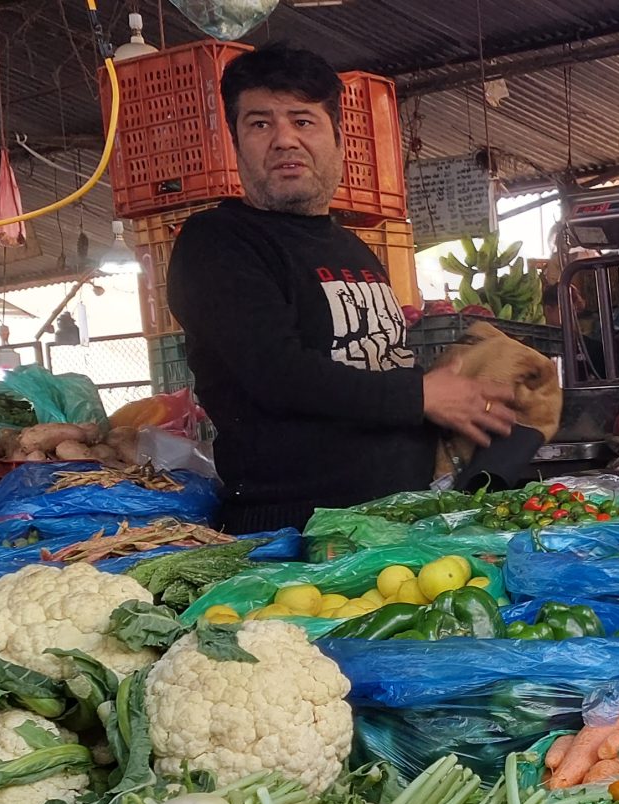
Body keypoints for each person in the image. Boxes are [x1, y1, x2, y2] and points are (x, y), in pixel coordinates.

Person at [166, 43, 518, 533]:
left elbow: (372, 364)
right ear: (237, 142)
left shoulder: (352, 249)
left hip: (398, 523)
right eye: (260, 123)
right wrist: (419, 396)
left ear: (337, 138)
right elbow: (276, 374)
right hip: (300, 535)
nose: (284, 139)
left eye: (303, 120)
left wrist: (448, 395)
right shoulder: (217, 241)